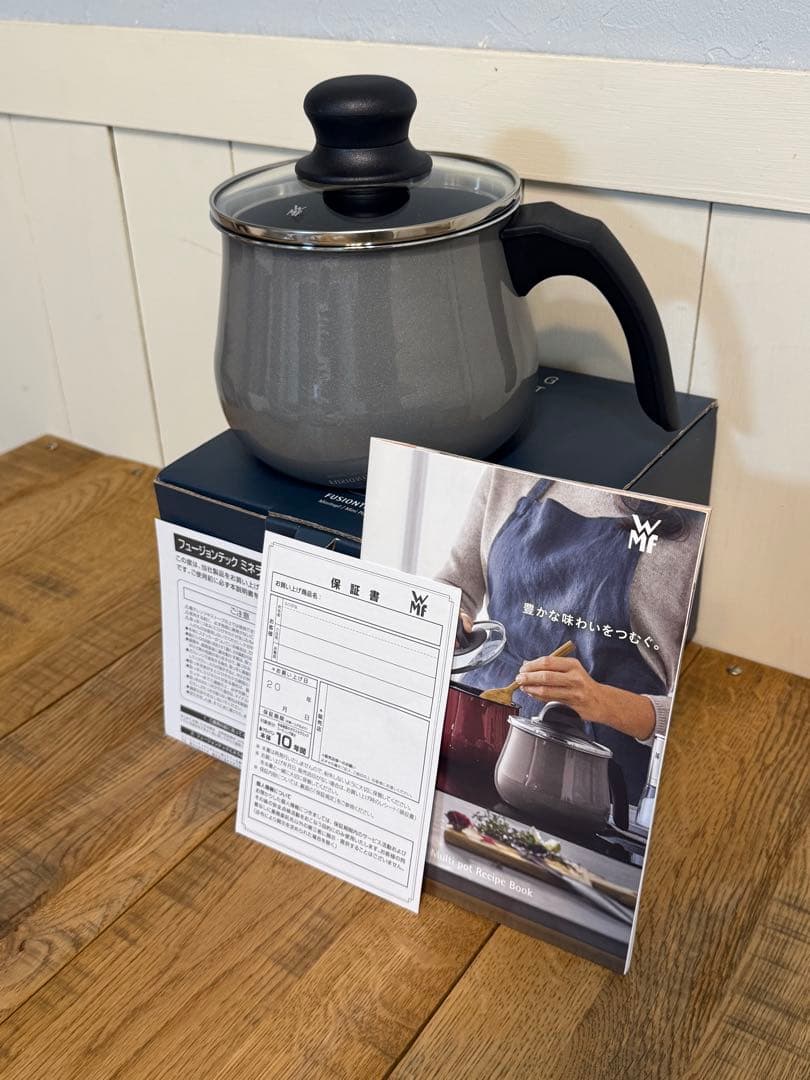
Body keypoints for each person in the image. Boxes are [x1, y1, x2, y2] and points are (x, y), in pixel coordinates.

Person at [437, 467, 704, 805]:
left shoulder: (700, 530)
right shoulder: (513, 470)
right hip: (473, 736)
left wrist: (603, 702)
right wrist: (446, 619)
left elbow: (705, 718)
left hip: (591, 785)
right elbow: (455, 585)